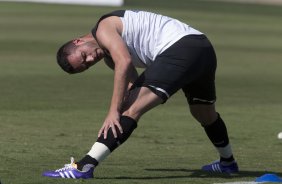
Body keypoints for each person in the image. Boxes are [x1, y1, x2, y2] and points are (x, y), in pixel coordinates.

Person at [43, 10, 239, 179]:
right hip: (202, 48)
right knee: (204, 113)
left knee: (128, 110)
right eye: (86, 64)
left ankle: (84, 166)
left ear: (78, 41)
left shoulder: (103, 29)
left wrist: (114, 111)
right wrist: (126, 101)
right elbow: (131, 84)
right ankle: (227, 162)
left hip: (180, 49)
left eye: (84, 55)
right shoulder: (110, 55)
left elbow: (125, 63)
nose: (92, 59)